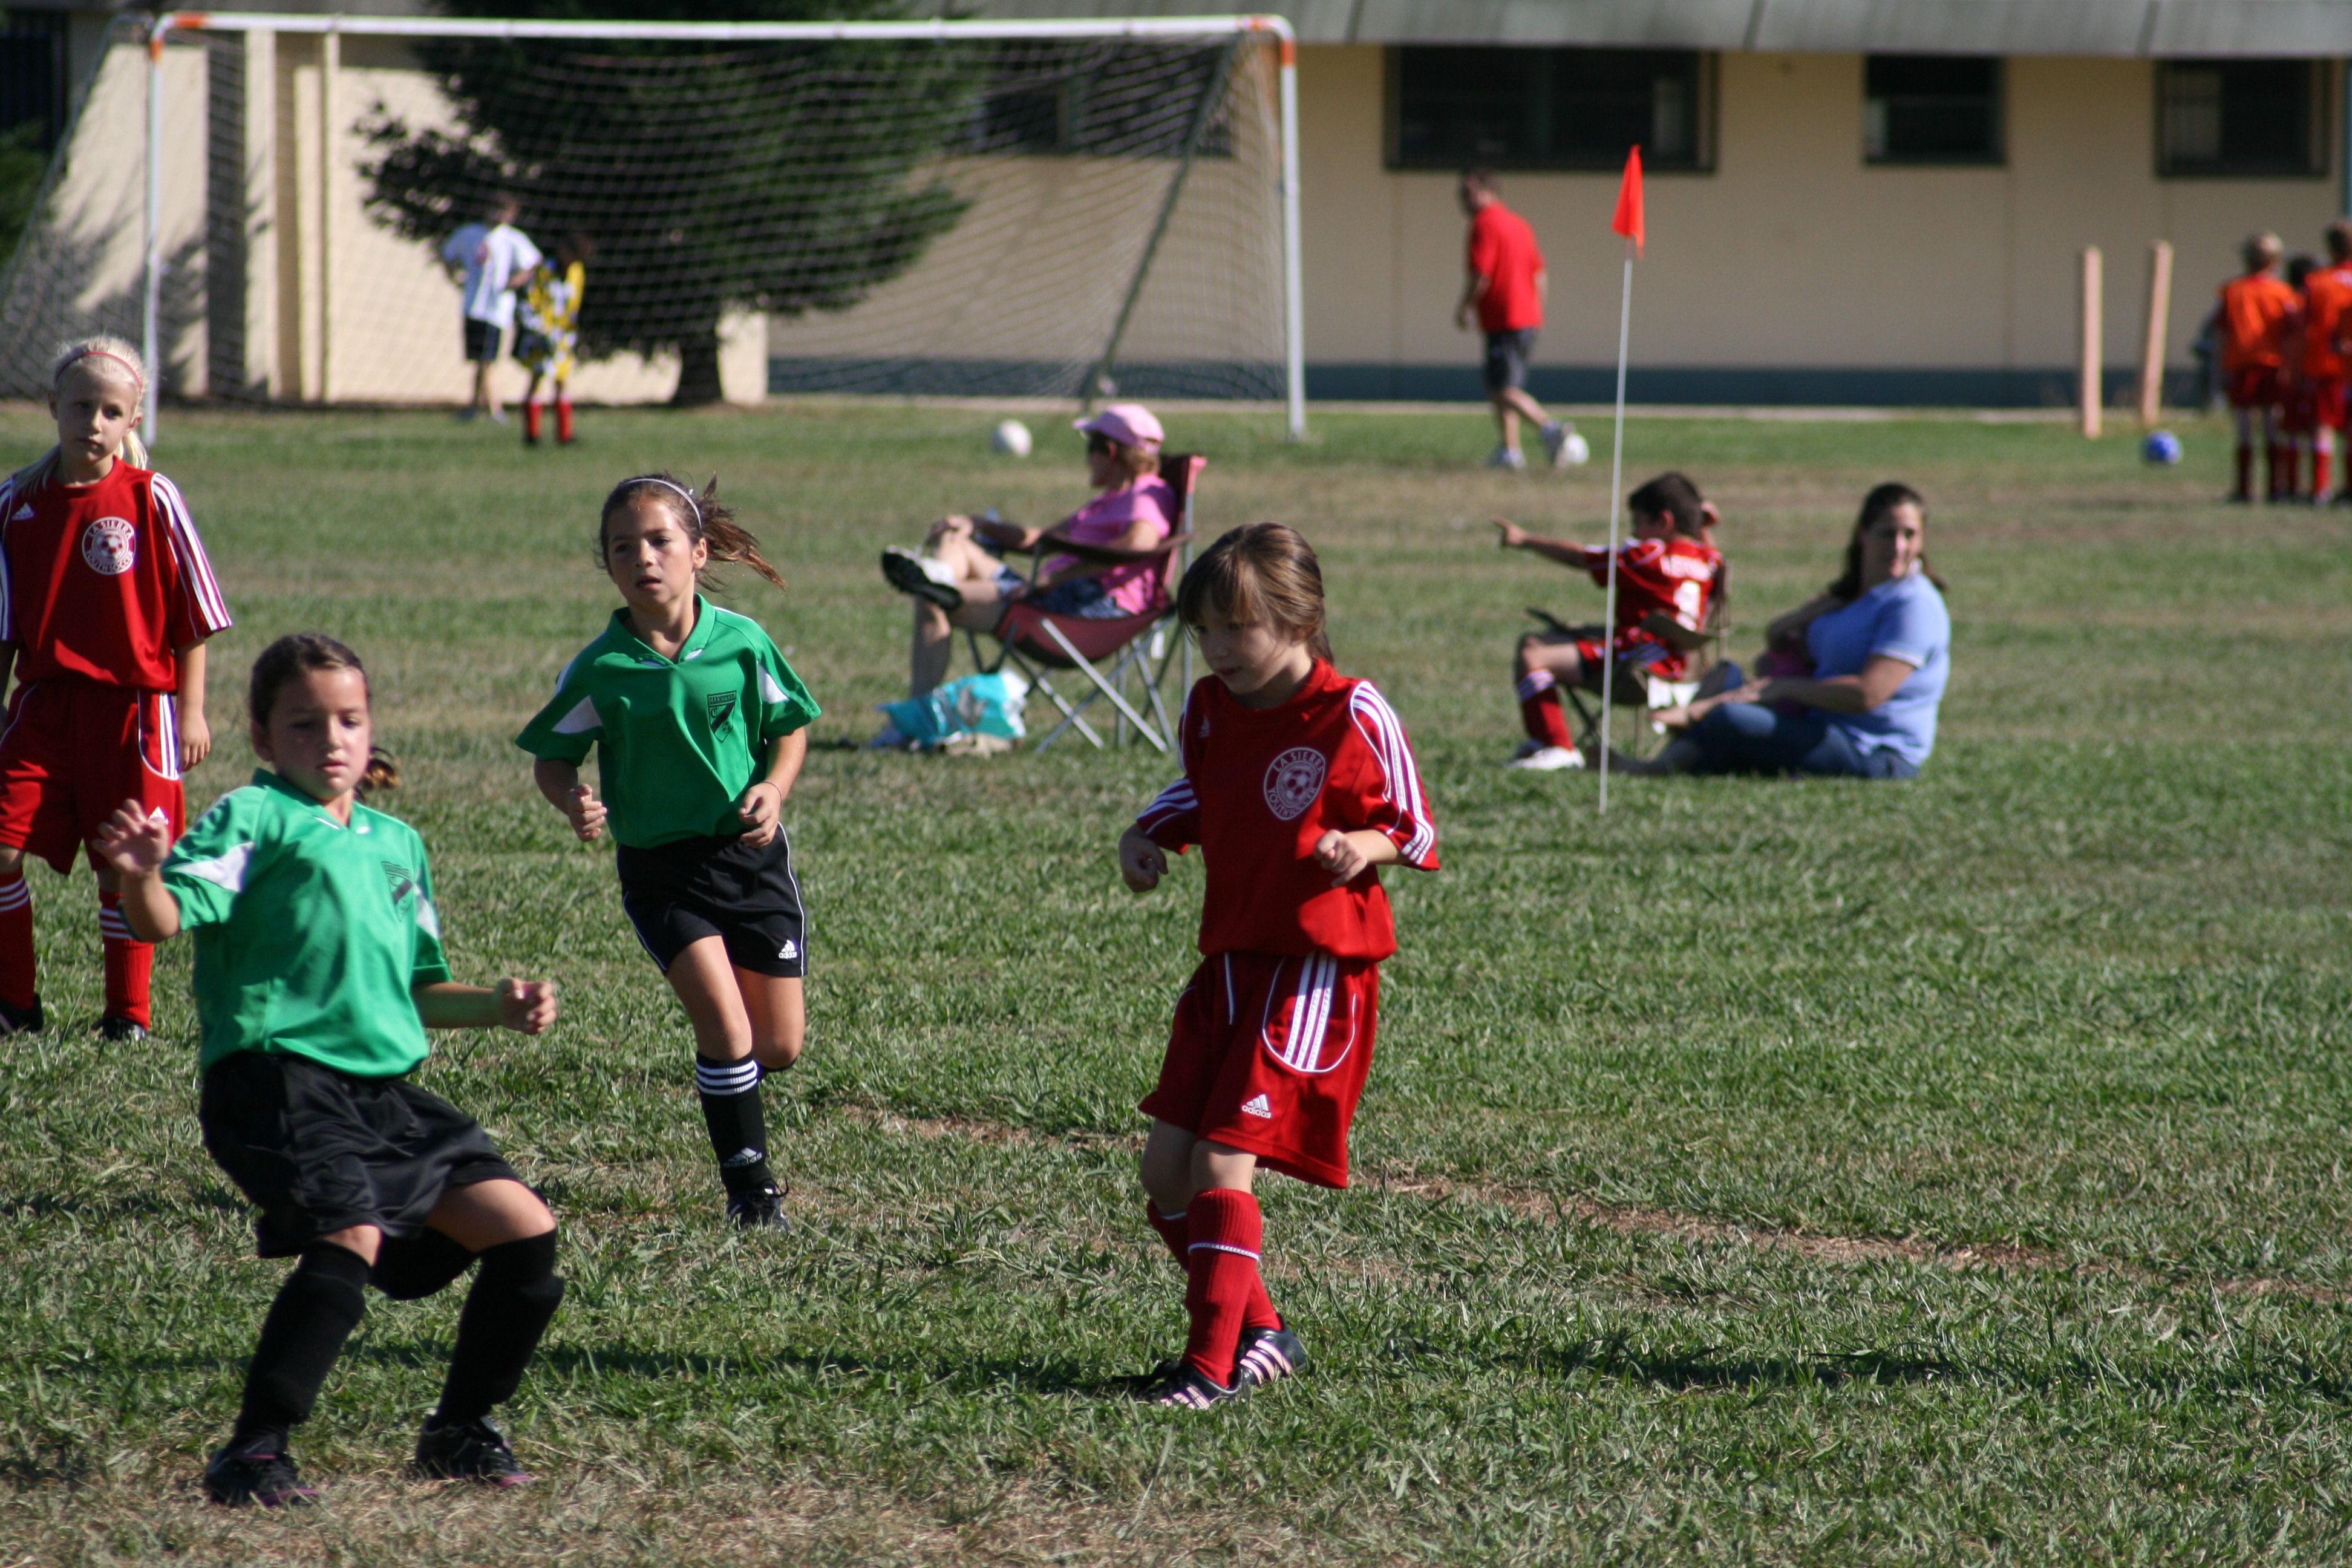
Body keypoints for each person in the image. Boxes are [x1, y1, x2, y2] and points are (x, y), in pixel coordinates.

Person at [93, 633, 565, 1507]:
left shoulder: (397, 844)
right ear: (263, 738)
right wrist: (141, 878)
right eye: (304, 724)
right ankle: (253, 1452)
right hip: (277, 1080)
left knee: (526, 1233)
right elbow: (162, 919)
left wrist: (497, 1006)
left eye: (349, 720)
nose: (332, 740)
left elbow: (418, 989)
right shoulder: (253, 817)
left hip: (381, 1093)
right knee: (349, 1235)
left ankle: (459, 1429)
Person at [1117, 523, 1439, 1406]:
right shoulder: (1210, 708)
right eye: (1204, 631)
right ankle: (1263, 1333)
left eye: (1238, 628)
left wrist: (1362, 844)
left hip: (1311, 968)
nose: (1218, 649)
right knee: (1165, 1170)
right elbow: (1203, 788)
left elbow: (1415, 826)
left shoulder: (1354, 710)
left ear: (1299, 619)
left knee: (1223, 1161)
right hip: (1228, 960)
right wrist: (1145, 834)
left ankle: (1209, 1369)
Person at [516, 475, 820, 1230]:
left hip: (750, 861)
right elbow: (553, 758)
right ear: (609, 564)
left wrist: (774, 789)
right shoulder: (602, 668)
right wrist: (572, 799)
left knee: (777, 1045)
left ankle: (734, 1092)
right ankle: (751, 1192)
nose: (643, 559)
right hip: (662, 873)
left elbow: (789, 728)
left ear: (699, 552)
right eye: (623, 548)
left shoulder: (743, 643)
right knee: (726, 1029)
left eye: (659, 541)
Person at [0, 337, 232, 1040]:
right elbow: (4, 627)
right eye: (80, 407)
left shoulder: (152, 497)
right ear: (53, 407)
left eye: (110, 411)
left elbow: (194, 615)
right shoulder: (16, 501)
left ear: (134, 419)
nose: (93, 423)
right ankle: (15, 1004)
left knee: (120, 861)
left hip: (137, 712)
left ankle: (127, 1015)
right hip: (43, 707)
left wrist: (192, 711)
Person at [875, 402, 1175, 737]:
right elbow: (1038, 541)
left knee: (931, 600)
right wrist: (977, 524)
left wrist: (1055, 577)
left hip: (1083, 609)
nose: (1087, 459)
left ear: (1110, 451)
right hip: (1055, 594)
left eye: (1090, 448)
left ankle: (914, 723)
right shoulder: (1109, 500)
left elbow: (1138, 545)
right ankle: (938, 579)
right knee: (954, 541)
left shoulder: (1146, 495)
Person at [1612, 482, 1949, 780]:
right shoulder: (1855, 597)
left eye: (1910, 535)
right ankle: (1667, 757)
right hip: (1818, 722)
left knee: (1731, 717)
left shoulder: (1913, 604)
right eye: (1887, 533)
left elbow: (1868, 695)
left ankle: (1663, 764)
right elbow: (1777, 640)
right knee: (1725, 676)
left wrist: (1783, 688)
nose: (1899, 546)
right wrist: (1811, 616)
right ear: (1863, 534)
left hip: (1874, 751)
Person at [1492, 471, 1723, 772]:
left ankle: (1556, 746)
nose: (1635, 532)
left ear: (1664, 522)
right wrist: (1703, 524)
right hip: (1685, 668)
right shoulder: (1709, 560)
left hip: (1638, 665)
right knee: (1541, 641)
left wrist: (1525, 540)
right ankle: (1542, 742)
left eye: (1638, 523)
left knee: (1533, 653)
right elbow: (1709, 552)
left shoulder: (1649, 556)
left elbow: (1581, 557)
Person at [1454, 170, 1573, 471]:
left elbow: (1481, 274)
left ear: (1488, 192)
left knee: (1500, 389)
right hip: (1526, 319)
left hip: (1504, 318)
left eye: (1468, 193)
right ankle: (1510, 451)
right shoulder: (1519, 224)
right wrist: (1537, 311)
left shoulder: (1484, 224)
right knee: (1505, 385)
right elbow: (1540, 272)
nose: (1462, 200)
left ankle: (1550, 428)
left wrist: (1465, 308)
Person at [440, 195, 542, 423]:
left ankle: (491, 408)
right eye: (497, 210)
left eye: (506, 212)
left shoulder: (512, 238)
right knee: (480, 360)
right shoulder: (470, 234)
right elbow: (448, 255)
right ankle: (478, 407)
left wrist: (516, 281)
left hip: (497, 309)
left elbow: (533, 263)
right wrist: (455, 278)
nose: (501, 216)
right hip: (472, 306)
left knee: (486, 360)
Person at [2213, 233, 2296, 503]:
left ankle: (2244, 489)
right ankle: (2275, 488)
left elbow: (2221, 333)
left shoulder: (2232, 291)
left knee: (2244, 429)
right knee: (2273, 426)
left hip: (2241, 364)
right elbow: (2291, 334)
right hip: (2274, 365)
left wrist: (2220, 368)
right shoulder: (2283, 292)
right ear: (2274, 261)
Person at [517, 233, 591, 448]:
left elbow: (573, 306)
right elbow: (531, 303)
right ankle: (532, 435)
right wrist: (541, 332)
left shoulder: (577, 272)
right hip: (542, 335)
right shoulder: (544, 271)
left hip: (562, 337)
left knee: (562, 380)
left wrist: (568, 333)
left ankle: (565, 435)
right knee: (536, 379)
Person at [2298, 221, 2352, 506]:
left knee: (2323, 427)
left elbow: (2303, 327)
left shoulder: (2317, 282)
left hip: (2326, 366)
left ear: (2330, 248)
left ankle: (2320, 488)